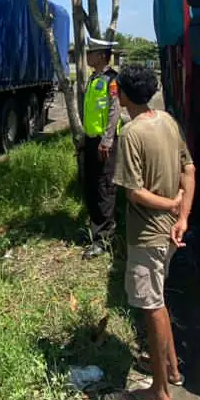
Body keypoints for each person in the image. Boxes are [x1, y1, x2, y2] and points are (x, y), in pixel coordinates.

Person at [111, 63, 195, 400]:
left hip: (148, 235)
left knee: (152, 307)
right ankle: (171, 371)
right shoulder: (167, 121)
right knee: (159, 298)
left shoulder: (131, 133)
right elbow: (189, 169)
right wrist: (182, 217)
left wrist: (172, 205)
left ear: (125, 95)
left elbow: (134, 193)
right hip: (171, 231)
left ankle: (160, 395)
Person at [80, 36, 121, 258]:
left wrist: (107, 140)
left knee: (105, 187)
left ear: (102, 56)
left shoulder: (111, 80)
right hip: (91, 140)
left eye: (91, 53)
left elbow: (114, 111)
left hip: (105, 143)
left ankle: (105, 239)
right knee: (92, 185)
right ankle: (95, 231)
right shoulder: (94, 78)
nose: (87, 56)